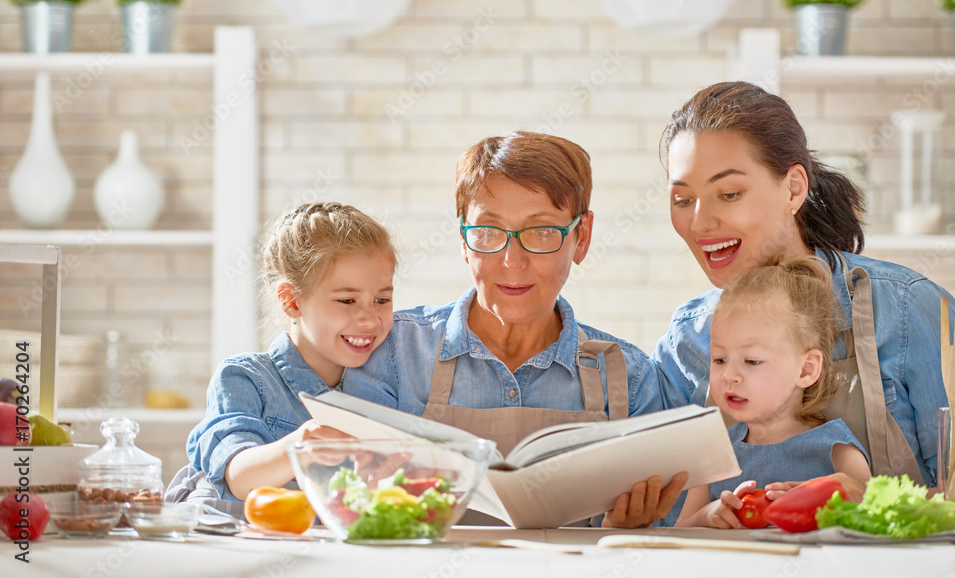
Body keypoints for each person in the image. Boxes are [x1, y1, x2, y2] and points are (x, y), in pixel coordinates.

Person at [653, 80, 955, 516]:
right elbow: (666, 523)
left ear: (794, 189)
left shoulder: (910, 311)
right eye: (683, 199)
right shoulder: (688, 340)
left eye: (729, 194)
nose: (700, 223)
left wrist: (869, 501)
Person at [343, 131, 686, 527]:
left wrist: (624, 530)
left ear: (582, 237)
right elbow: (353, 508)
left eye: (541, 232)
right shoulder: (391, 353)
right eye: (488, 232)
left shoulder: (630, 376)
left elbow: (658, 543)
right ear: (463, 239)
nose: (512, 261)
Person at [173, 202, 397, 515]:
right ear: (291, 301)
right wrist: (299, 447)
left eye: (382, 299)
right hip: (224, 547)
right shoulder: (244, 377)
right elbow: (238, 476)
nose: (370, 319)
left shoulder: (384, 382)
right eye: (347, 300)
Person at [676, 256, 871, 528]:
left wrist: (835, 505)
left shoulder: (836, 449)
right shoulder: (714, 454)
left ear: (805, 370)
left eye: (752, 361)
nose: (729, 375)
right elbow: (680, 531)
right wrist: (707, 515)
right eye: (720, 359)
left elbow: (874, 518)